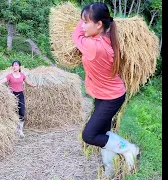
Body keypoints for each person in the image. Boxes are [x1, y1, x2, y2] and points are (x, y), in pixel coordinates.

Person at [72, 2, 139, 178]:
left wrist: (79, 24)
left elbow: (75, 36)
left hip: (111, 97)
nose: (83, 25)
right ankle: (110, 168)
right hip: (104, 94)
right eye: (83, 22)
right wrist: (86, 19)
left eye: (86, 22)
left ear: (99, 24)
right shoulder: (102, 39)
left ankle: (129, 149)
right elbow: (85, 31)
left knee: (90, 135)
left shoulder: (94, 46)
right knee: (104, 134)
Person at [0, 60, 36, 138]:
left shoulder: (22, 75)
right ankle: (12, 129)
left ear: (19, 67)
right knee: (12, 112)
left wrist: (34, 85)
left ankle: (20, 130)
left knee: (21, 112)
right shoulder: (10, 75)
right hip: (12, 96)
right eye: (13, 65)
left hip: (20, 95)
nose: (14, 67)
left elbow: (28, 82)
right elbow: (2, 81)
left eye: (16, 65)